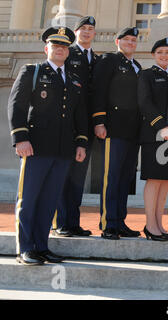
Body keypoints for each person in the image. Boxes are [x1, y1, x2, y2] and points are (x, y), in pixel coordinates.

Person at [8, 26, 88, 265]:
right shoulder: (32, 71)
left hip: (63, 151)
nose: (60, 49)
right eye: (56, 46)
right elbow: (17, 106)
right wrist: (21, 138)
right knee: (30, 198)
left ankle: (42, 246)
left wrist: (81, 143)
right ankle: (26, 248)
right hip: (36, 147)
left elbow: (79, 115)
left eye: (64, 46)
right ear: (47, 48)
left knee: (50, 200)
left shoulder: (74, 81)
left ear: (68, 51)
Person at [92, 27, 142, 240]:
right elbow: (98, 91)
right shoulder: (108, 60)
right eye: (127, 39)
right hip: (113, 128)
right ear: (117, 41)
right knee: (110, 177)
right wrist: (99, 121)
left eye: (134, 40)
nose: (131, 43)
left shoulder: (137, 66)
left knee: (125, 178)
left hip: (133, 131)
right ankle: (108, 223)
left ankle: (120, 221)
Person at [53, 16, 99, 237]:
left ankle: (73, 222)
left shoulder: (96, 58)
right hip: (67, 122)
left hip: (86, 125)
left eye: (91, 29)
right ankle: (61, 222)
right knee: (64, 173)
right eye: (84, 29)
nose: (87, 32)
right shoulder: (68, 53)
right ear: (76, 31)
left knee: (78, 175)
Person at [137, 38, 168, 241]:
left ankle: (159, 225)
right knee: (154, 180)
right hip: (154, 135)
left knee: (165, 182)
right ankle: (150, 226)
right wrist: (161, 126)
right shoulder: (146, 74)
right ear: (154, 54)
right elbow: (144, 102)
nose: (164, 56)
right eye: (161, 52)